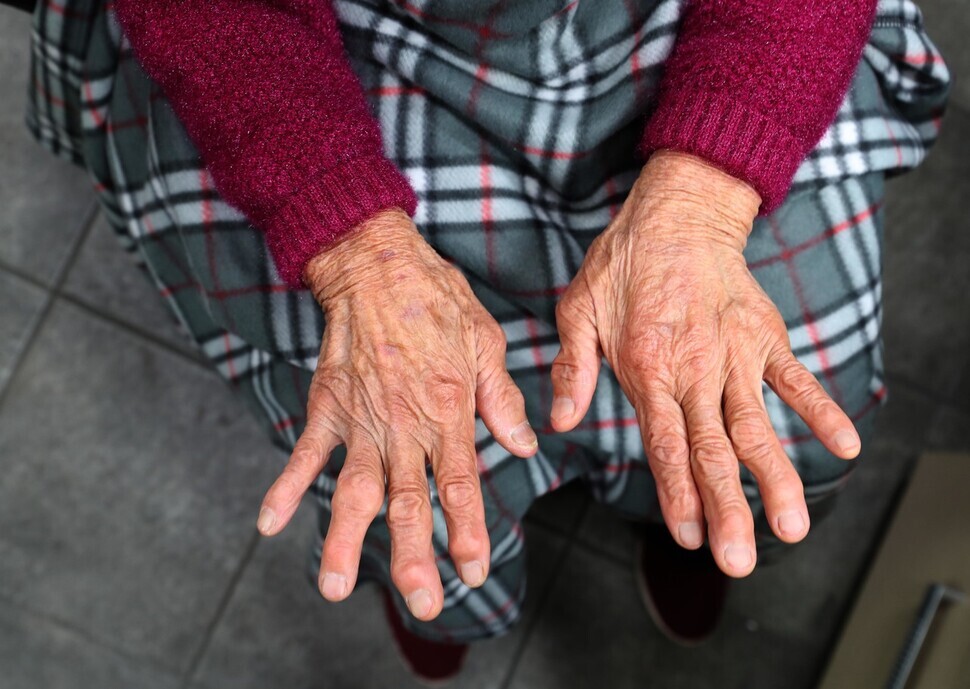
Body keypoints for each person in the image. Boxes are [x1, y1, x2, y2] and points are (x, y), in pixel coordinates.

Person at [26, 0, 949, 681]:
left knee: (774, 412)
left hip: (697, 31)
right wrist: (355, 248)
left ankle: (683, 518)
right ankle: (453, 598)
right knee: (395, 472)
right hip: (328, 55)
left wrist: (704, 200)